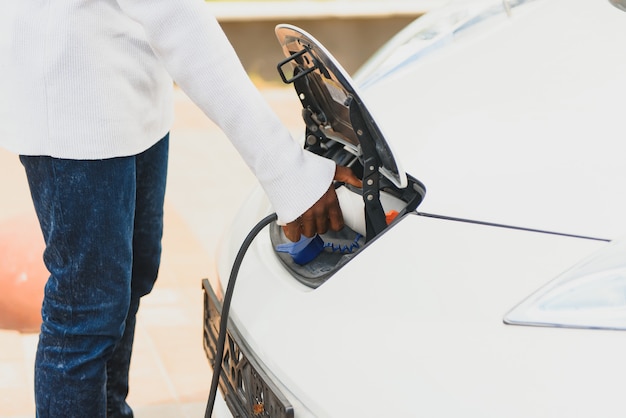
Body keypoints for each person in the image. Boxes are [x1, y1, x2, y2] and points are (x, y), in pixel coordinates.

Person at [0, 0, 361, 417]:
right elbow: (179, 18)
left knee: (131, 281)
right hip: (72, 107)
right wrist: (286, 171)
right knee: (86, 313)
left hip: (134, 92)